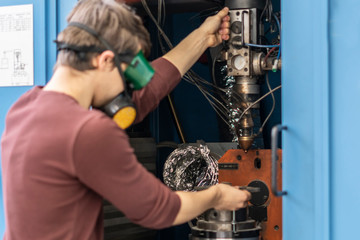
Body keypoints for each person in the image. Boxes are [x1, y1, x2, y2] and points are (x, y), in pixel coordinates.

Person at [1, 0, 251, 239]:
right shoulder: (87, 131)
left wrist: (202, 38)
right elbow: (158, 209)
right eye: (127, 78)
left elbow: (146, 91)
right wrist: (217, 195)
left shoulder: (23, 108)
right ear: (106, 60)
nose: (130, 88)